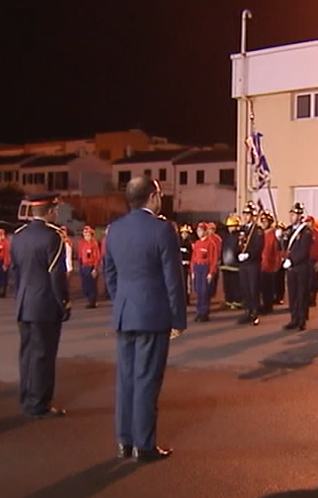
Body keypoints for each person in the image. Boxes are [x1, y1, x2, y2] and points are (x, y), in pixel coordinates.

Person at [104, 177, 186, 462]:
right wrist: (177, 318)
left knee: (125, 380)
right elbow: (173, 278)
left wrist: (122, 301)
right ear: (152, 197)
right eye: (159, 194)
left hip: (126, 313)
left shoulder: (114, 229)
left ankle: (124, 442)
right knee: (147, 380)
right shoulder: (162, 230)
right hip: (153, 314)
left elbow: (110, 273)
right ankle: (145, 445)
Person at [10, 193, 70, 419]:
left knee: (27, 354)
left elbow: (14, 271)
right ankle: (39, 403)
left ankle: (26, 397)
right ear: (51, 211)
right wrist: (64, 303)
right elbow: (57, 276)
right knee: (43, 356)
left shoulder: (18, 236)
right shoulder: (52, 237)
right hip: (44, 305)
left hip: (24, 303)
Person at [282, 203, 313, 331]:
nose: (291, 216)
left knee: (302, 294)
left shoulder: (306, 231)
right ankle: (293, 318)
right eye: (291, 214)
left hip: (301, 267)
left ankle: (302, 319)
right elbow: (284, 247)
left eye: (294, 214)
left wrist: (292, 261)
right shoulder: (289, 229)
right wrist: (281, 237)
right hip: (291, 268)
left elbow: (303, 251)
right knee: (293, 294)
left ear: (300, 216)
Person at [237, 202, 264, 326]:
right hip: (244, 264)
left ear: (253, 216)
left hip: (253, 263)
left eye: (248, 214)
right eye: (245, 214)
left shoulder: (257, 230)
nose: (246, 216)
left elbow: (258, 246)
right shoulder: (242, 229)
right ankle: (247, 311)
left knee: (253, 289)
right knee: (244, 288)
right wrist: (238, 253)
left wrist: (249, 254)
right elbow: (237, 244)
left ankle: (255, 313)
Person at [191, 222, 218, 322]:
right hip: (197, 267)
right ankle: (199, 312)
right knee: (198, 291)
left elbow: (213, 259)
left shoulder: (211, 244)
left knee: (204, 291)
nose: (199, 232)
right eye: (198, 231)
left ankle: (204, 312)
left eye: (201, 230)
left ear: (205, 231)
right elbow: (193, 258)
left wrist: (211, 272)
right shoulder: (197, 243)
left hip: (205, 267)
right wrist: (193, 270)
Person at [259, 212, 281, 315]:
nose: (263, 223)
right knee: (262, 286)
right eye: (262, 221)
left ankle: (268, 305)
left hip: (270, 264)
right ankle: (264, 304)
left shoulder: (273, 234)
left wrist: (277, 264)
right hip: (261, 264)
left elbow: (276, 250)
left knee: (268, 287)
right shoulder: (261, 233)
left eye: (265, 221)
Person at [77, 226, 102, 309]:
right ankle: (89, 298)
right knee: (85, 285)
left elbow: (97, 257)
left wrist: (95, 268)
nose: (86, 236)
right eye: (84, 234)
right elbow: (80, 255)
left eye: (88, 234)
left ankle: (92, 301)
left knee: (92, 285)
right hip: (84, 266)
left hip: (91, 266)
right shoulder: (81, 243)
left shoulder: (94, 244)